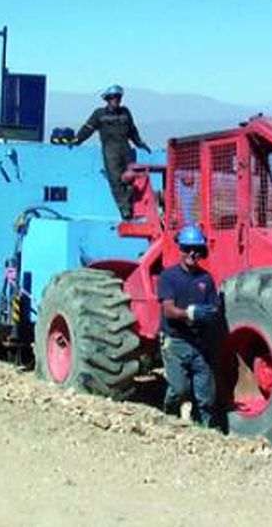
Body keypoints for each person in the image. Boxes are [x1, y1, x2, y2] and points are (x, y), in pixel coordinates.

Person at [157, 225, 220, 428]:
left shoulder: (206, 279)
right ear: (180, 249)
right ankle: (168, 417)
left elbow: (214, 309)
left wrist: (210, 315)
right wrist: (189, 314)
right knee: (180, 389)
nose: (192, 253)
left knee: (206, 396)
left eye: (196, 249)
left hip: (199, 344)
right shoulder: (168, 277)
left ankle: (205, 431)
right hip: (175, 342)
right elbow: (168, 310)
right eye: (187, 248)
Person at [72, 84, 151, 219]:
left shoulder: (125, 112)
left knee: (131, 178)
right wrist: (77, 140)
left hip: (125, 148)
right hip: (110, 150)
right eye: (113, 97)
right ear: (107, 99)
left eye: (118, 97)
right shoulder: (99, 114)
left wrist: (139, 143)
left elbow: (132, 130)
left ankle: (131, 206)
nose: (116, 100)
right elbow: (88, 128)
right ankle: (124, 209)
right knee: (115, 180)